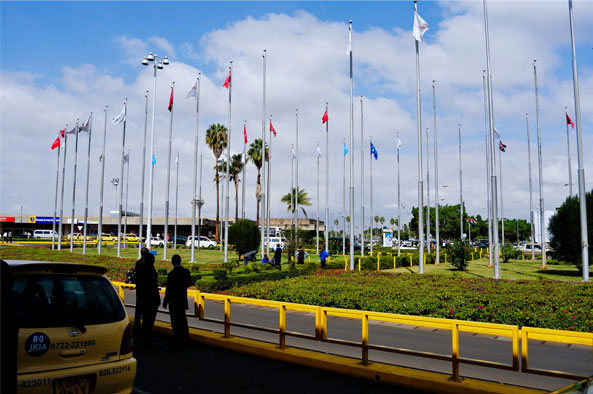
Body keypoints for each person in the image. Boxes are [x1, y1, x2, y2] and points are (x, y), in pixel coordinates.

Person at [133, 247, 161, 346]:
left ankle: (138, 334)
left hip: (140, 294)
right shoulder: (151, 271)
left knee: (139, 314)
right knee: (149, 319)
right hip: (150, 297)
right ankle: (147, 337)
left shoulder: (138, 264)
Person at [163, 254, 192, 350]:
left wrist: (165, 301)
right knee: (183, 320)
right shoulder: (186, 272)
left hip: (173, 301)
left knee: (175, 322)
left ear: (172, 262)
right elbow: (188, 283)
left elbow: (169, 289)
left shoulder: (171, 274)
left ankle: (177, 341)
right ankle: (186, 340)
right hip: (182, 299)